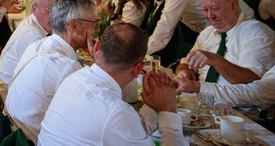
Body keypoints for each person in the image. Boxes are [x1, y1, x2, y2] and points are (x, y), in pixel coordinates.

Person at [38, 23, 185, 146]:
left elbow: (128, 134)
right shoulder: (116, 113)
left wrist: (153, 107)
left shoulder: (74, 78)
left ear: (96, 49)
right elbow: (117, 123)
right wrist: (169, 110)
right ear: (139, 68)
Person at [6, 0, 98, 141]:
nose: (95, 31)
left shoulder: (38, 45)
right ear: (73, 25)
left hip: (13, 132)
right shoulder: (67, 68)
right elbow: (94, 114)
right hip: (31, 139)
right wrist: (98, 64)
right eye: (93, 24)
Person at [175, 0, 275, 86]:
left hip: (238, 102)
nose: (210, 16)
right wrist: (184, 71)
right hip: (201, 97)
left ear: (233, 5)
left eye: (215, 8)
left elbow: (253, 80)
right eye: (205, 10)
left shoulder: (257, 33)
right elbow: (185, 63)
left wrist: (214, 60)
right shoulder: (207, 33)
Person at [0, 0, 62, 85]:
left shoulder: (31, 21)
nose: (55, 16)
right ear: (34, 9)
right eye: (49, 10)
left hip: (4, 80)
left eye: (58, 11)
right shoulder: (35, 36)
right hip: (6, 88)